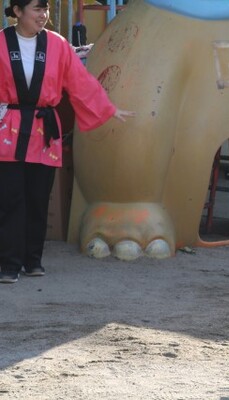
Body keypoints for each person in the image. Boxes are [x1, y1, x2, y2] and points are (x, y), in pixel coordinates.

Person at [0, 0, 134, 284]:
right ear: (18, 11)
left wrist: (108, 108)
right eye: (37, 9)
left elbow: (80, 82)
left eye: (46, 9)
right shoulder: (0, 43)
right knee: (10, 199)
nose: (43, 15)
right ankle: (9, 264)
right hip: (7, 129)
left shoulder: (57, 45)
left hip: (43, 131)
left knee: (38, 198)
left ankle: (33, 260)